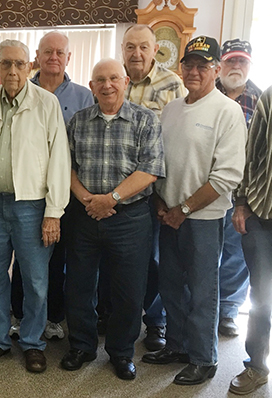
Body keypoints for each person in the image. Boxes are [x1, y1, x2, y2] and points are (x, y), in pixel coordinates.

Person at [143, 36, 247, 386]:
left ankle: (204, 358)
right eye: (189, 64)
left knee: (203, 291)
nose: (194, 71)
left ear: (216, 69)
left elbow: (227, 176)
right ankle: (176, 346)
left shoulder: (227, 111)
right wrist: (161, 202)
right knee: (170, 286)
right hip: (167, 214)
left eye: (203, 65)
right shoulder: (172, 108)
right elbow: (160, 162)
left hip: (201, 218)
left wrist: (184, 209)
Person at [0, 39, 71, 373]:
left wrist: (54, 212)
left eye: (19, 64)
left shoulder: (47, 103)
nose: (12, 71)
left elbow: (59, 160)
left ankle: (32, 343)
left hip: (33, 206)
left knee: (37, 280)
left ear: (30, 67)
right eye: (6, 64)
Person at [62, 58, 164, 380]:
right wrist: (88, 200)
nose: (107, 85)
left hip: (130, 219)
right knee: (78, 285)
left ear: (125, 83)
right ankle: (81, 345)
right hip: (84, 215)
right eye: (100, 80)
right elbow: (66, 167)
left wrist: (111, 199)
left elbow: (150, 169)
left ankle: (121, 353)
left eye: (113, 79)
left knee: (129, 291)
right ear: (91, 86)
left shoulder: (145, 121)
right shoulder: (78, 121)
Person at [99, 24, 186, 352]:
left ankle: (155, 321)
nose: (136, 54)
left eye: (143, 47)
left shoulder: (171, 84)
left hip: (152, 190)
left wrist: (166, 193)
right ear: (123, 49)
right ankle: (111, 313)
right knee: (113, 258)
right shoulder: (111, 80)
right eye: (130, 47)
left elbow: (175, 142)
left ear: (155, 50)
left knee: (153, 259)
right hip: (112, 192)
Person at [9, 31, 93, 341]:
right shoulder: (19, 90)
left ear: (69, 58)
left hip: (68, 191)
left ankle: (54, 316)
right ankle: (19, 315)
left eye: (60, 52)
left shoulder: (84, 96)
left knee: (58, 257)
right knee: (25, 256)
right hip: (27, 189)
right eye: (47, 52)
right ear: (37, 58)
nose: (53, 57)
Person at [214, 38, 262, 337]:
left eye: (241, 61)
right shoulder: (204, 93)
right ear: (220, 64)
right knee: (202, 256)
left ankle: (228, 311)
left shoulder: (259, 101)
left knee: (234, 256)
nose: (236, 66)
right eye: (231, 60)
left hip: (240, 195)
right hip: (203, 192)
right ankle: (200, 308)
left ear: (249, 65)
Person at [228, 85, 272, 395]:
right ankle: (256, 365)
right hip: (264, 213)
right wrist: (241, 202)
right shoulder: (269, 97)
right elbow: (251, 152)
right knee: (262, 297)